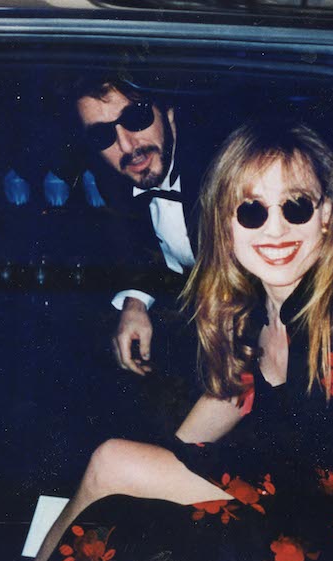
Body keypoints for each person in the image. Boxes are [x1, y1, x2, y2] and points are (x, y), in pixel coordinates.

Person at [0, 119, 333, 561]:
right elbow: (231, 398)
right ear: (226, 225)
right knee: (112, 461)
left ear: (327, 217)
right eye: (251, 210)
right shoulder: (256, 310)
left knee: (116, 554)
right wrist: (154, 471)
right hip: (278, 493)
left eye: (296, 206)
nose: (275, 229)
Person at [58, 74, 212, 376]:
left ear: (168, 112)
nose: (126, 145)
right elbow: (138, 246)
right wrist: (135, 301)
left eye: (136, 118)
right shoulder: (116, 181)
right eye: (102, 136)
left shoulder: (223, 165)